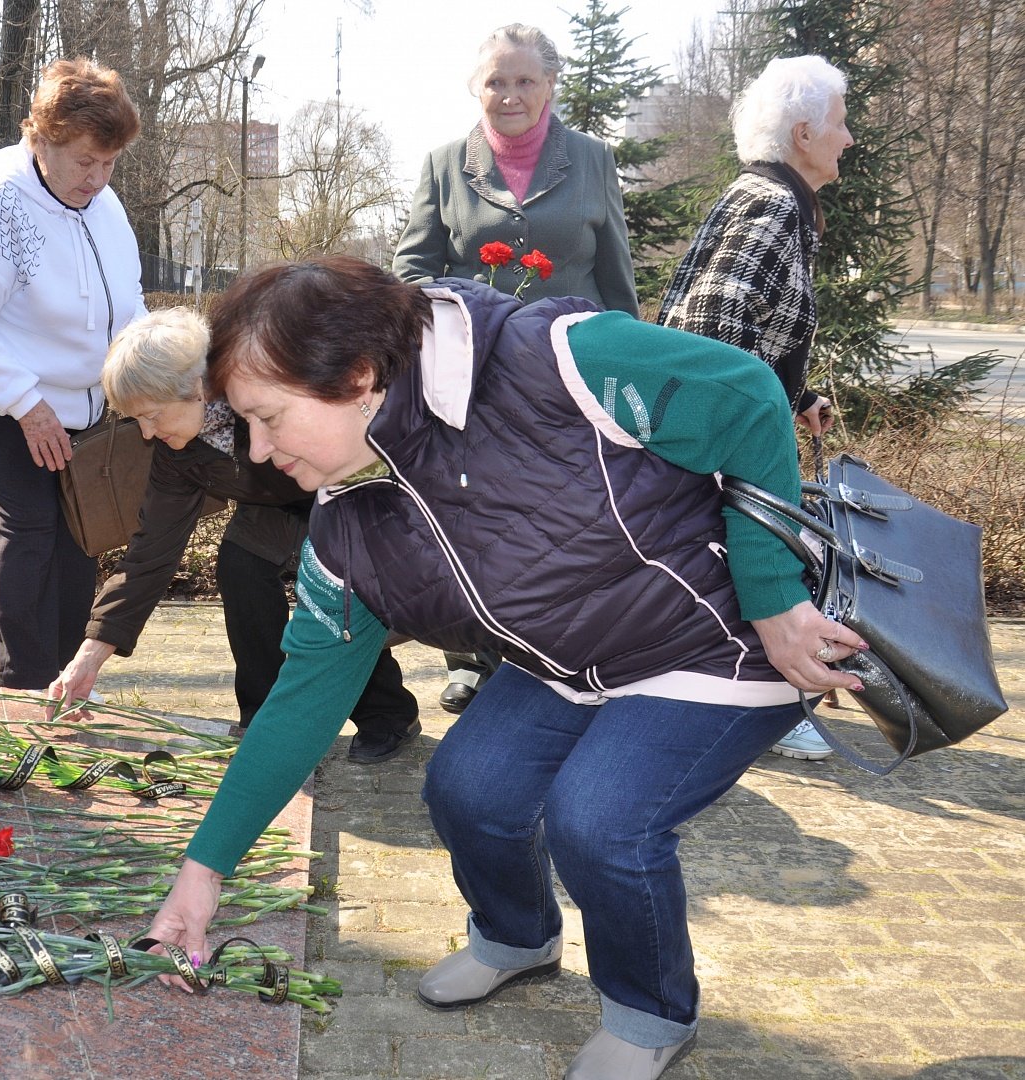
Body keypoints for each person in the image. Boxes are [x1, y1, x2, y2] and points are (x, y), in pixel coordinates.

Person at [142, 257, 867, 1079]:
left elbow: (742, 391)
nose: (261, 453)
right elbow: (297, 707)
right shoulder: (347, 525)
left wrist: (773, 598)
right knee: (466, 788)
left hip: (713, 641)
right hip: (571, 659)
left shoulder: (549, 358)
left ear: (357, 377)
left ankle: (651, 1012)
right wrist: (203, 872)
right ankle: (519, 937)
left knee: (597, 821)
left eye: (268, 418)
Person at [392, 23, 641, 715]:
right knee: (473, 510)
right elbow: (411, 269)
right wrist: (460, 315)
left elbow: (615, 273)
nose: (510, 94)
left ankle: (554, 655)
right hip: (476, 371)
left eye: (525, 80)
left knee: (562, 513)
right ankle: (472, 658)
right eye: (495, 81)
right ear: (476, 88)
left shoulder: (592, 159)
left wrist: (632, 365)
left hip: (574, 372)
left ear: (550, 85)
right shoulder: (445, 164)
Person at [45, 308, 422, 763]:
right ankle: (264, 720)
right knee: (241, 566)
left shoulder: (272, 390)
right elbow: (150, 554)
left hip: (342, 494)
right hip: (269, 508)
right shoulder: (175, 450)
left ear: (196, 389)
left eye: (151, 416)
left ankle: (388, 714)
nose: (146, 433)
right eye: (135, 420)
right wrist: (90, 654)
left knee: (333, 588)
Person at [658, 55, 854, 761]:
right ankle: (766, 705)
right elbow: (710, 326)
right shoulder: (772, 203)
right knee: (759, 565)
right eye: (839, 122)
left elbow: (748, 316)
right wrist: (746, 421)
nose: (849, 138)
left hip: (733, 431)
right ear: (804, 133)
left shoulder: (772, 199)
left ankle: (756, 694)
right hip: (722, 444)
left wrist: (795, 396)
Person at [0, 57, 147, 690]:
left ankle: (63, 682)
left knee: (81, 532)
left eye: (109, 164)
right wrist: (26, 404)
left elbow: (127, 304)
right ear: (41, 139)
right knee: (29, 526)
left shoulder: (105, 206)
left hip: (77, 401)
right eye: (85, 161)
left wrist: (144, 378)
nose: (98, 179)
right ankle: (22, 687)